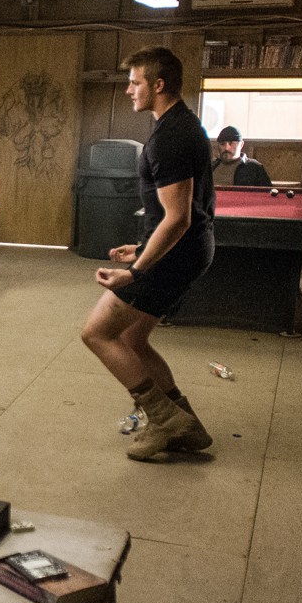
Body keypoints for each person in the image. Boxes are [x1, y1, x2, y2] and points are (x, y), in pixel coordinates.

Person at [80, 46, 215, 461]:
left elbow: (178, 218)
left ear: (158, 85)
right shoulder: (179, 125)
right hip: (186, 251)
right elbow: (179, 213)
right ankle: (187, 425)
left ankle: (165, 421)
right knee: (132, 338)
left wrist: (137, 271)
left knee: (97, 333)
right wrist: (141, 247)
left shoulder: (170, 137)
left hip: (177, 255)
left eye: (134, 82)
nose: (128, 90)